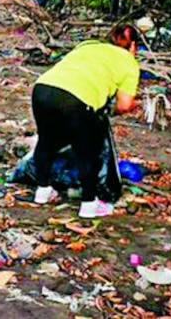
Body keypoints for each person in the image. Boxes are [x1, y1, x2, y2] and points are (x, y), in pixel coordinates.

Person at [31, 25, 140, 218]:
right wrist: (107, 110)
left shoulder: (87, 45)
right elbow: (124, 105)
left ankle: (42, 191)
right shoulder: (128, 62)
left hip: (43, 89)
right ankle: (89, 204)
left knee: (46, 140)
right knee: (86, 150)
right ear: (132, 47)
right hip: (77, 98)